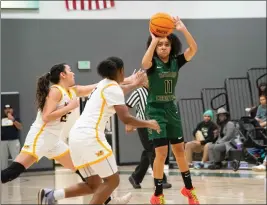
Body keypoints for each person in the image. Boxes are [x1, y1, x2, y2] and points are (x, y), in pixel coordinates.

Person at [1, 63, 143, 204]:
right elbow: (46, 116)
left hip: (55, 142)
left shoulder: (71, 91)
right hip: (40, 138)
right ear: (62, 75)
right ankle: (110, 200)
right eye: (70, 70)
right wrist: (69, 107)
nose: (73, 73)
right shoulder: (55, 91)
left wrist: (130, 79)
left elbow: (99, 86)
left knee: (90, 176)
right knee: (12, 172)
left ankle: (108, 200)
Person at [39, 57, 160, 205]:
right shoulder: (112, 88)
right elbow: (126, 118)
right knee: (113, 180)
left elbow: (119, 89)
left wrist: (134, 84)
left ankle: (51, 195)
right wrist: (150, 123)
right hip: (90, 136)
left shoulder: (104, 84)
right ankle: (112, 201)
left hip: (76, 137)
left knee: (93, 184)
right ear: (121, 71)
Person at [141, 16, 199, 204]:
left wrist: (182, 29)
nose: (163, 47)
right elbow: (144, 63)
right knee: (161, 154)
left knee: (180, 151)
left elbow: (194, 49)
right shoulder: (152, 64)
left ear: (172, 46)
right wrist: (154, 39)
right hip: (155, 111)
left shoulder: (176, 61)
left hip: (171, 110)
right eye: (160, 45)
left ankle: (189, 189)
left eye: (166, 44)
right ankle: (158, 194)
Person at [126, 76, 172, 189]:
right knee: (153, 150)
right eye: (147, 79)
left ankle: (135, 177)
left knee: (150, 151)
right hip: (143, 125)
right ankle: (160, 179)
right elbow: (127, 106)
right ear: (142, 81)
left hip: (155, 124)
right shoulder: (138, 92)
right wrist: (129, 123)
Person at [1, 104, 22, 170]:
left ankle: (15, 172)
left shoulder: (16, 117)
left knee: (15, 158)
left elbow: (20, 127)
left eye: (9, 108)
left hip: (14, 140)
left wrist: (13, 120)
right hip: (3, 141)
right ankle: (3, 173)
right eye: (6, 109)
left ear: (12, 110)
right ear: (4, 110)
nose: (8, 110)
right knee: (3, 158)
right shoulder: (1, 118)